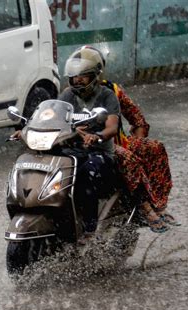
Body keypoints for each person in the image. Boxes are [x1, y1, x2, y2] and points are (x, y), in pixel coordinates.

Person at [80, 45, 179, 233]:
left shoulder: (112, 91)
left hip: (116, 143)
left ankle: (158, 206)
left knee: (155, 147)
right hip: (89, 147)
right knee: (127, 159)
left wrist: (136, 143)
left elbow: (138, 119)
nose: (81, 79)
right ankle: (145, 207)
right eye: (79, 75)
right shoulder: (70, 94)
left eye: (86, 74)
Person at [58, 47, 121, 237]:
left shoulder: (106, 96)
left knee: (86, 173)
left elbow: (112, 126)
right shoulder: (67, 95)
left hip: (99, 154)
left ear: (95, 76)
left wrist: (98, 136)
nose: (77, 80)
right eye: (74, 76)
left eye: (83, 76)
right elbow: (54, 116)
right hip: (74, 151)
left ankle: (89, 227)